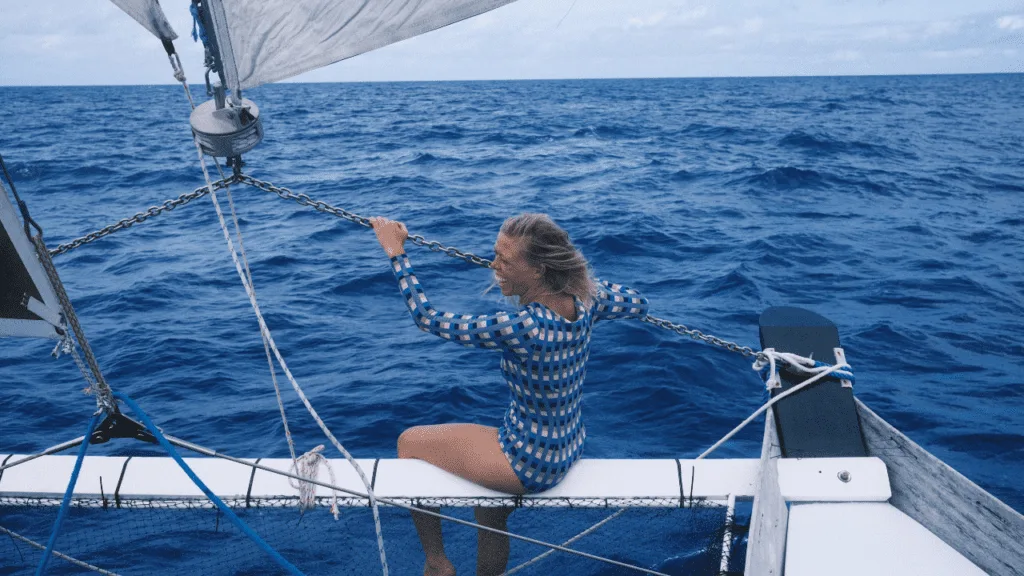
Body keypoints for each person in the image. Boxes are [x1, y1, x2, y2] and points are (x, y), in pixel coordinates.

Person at [370, 213, 649, 576]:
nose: (493, 265)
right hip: (568, 445)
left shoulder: (522, 326)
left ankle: (437, 563)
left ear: (538, 271)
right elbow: (638, 303)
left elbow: (428, 318)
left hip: (528, 462)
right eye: (495, 254)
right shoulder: (587, 302)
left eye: (505, 260)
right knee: (489, 509)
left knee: (408, 442)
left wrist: (395, 251)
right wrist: (586, 286)